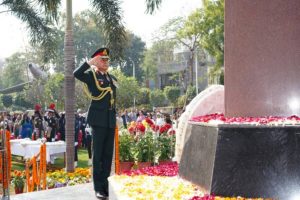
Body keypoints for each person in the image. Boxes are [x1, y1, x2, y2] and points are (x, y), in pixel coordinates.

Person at [73, 47, 117, 200]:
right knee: (97, 155)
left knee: (107, 155)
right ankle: (98, 188)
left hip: (110, 121)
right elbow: (76, 74)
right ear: (97, 61)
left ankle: (105, 187)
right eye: (102, 60)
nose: (106, 62)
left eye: (107, 60)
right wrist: (90, 62)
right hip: (98, 121)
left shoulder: (111, 78)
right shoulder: (92, 76)